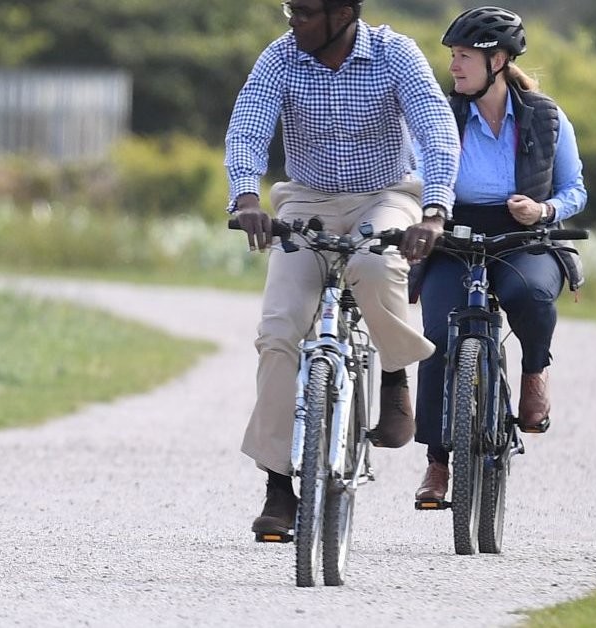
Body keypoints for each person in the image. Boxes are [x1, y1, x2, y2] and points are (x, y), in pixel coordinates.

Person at [225, 0, 460, 538]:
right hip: (304, 199)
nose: (294, 20)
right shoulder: (281, 57)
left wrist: (435, 211)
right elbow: (248, 127)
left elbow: (436, 131)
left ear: (345, 14)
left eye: (305, 11)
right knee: (280, 330)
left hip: (386, 195)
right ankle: (278, 487)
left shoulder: (394, 53)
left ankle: (395, 375)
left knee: (374, 267)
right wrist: (245, 197)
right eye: (291, 9)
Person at [411, 6, 587, 504]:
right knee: (438, 338)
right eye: (453, 56)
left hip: (523, 237)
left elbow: (575, 188)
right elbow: (417, 172)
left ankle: (534, 372)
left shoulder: (545, 116)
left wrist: (544, 208)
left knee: (530, 294)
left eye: (464, 56)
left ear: (498, 60)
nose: (454, 66)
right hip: (454, 235)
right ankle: (438, 463)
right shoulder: (442, 115)